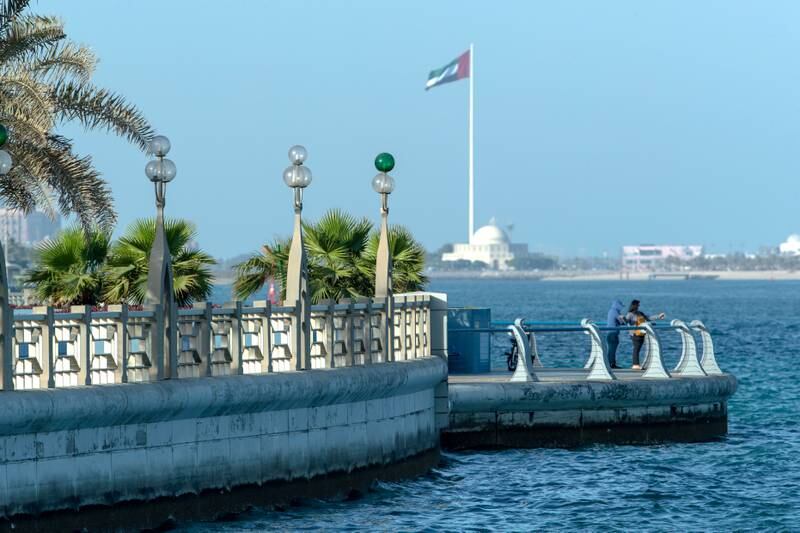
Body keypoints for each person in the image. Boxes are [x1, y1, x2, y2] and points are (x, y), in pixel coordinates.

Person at [625, 299, 666, 370]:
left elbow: (648, 318)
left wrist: (658, 316)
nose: (638, 306)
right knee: (636, 348)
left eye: (639, 305)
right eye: (638, 305)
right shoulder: (630, 314)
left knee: (638, 348)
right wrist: (623, 319)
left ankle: (637, 364)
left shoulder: (640, 313)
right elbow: (627, 321)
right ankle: (635, 364)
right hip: (635, 334)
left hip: (642, 333)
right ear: (634, 305)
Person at [605, 300, 626, 369]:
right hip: (613, 333)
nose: (621, 308)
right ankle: (610, 364)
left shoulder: (611, 311)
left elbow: (618, 321)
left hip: (610, 333)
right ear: (617, 305)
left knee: (611, 350)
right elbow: (621, 321)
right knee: (612, 350)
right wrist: (624, 320)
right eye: (621, 306)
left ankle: (611, 364)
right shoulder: (615, 312)